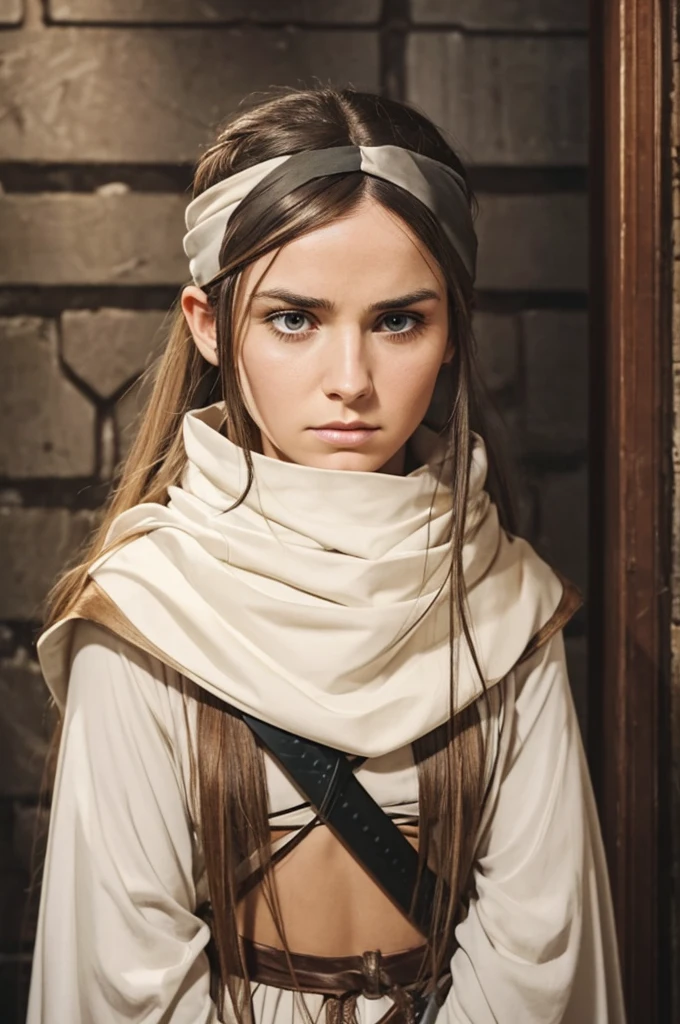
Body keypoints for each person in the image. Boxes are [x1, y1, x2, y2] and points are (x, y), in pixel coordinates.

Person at [26, 87, 626, 1024]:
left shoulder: (505, 603)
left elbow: (539, 958)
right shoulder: (145, 612)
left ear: (452, 334)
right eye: (294, 319)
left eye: (398, 321)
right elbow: (127, 981)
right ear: (209, 325)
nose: (350, 382)